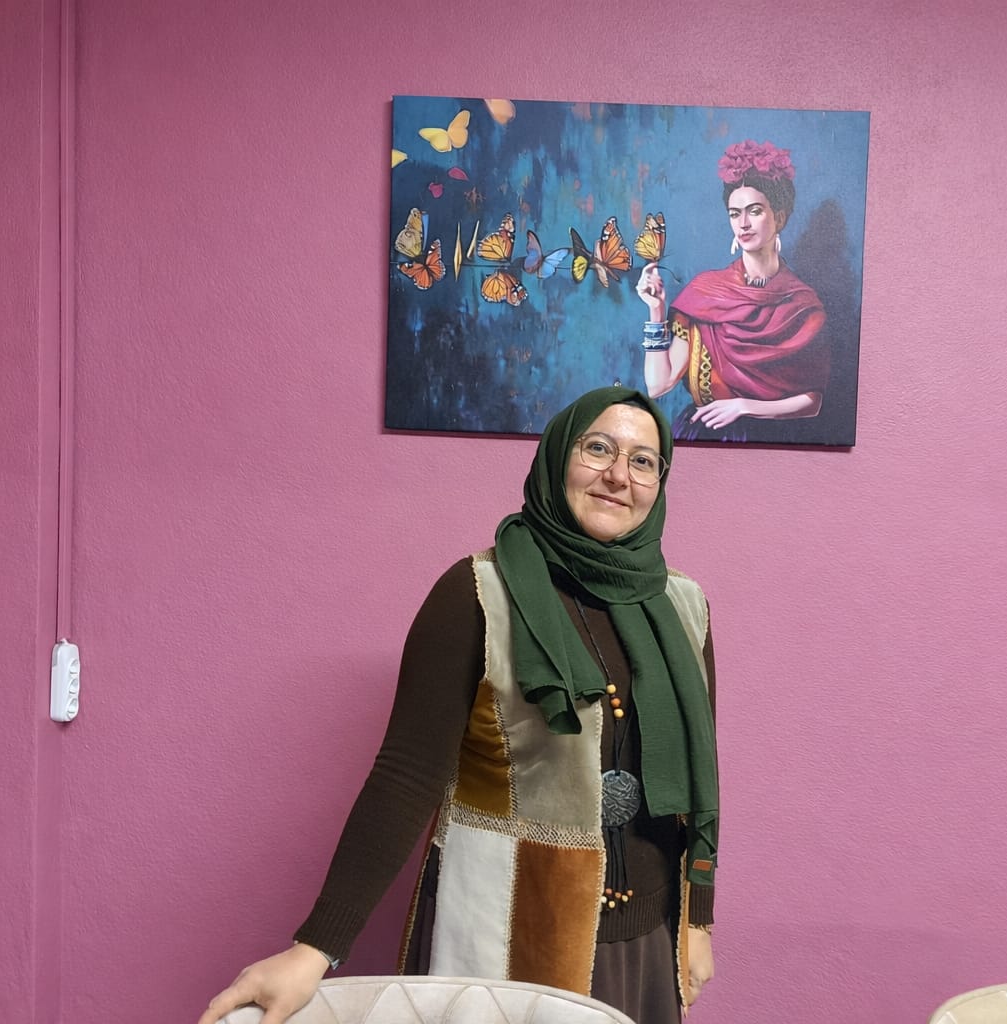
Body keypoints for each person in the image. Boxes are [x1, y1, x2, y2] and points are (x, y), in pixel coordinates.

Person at [198, 386, 719, 1024]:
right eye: (598, 449)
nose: (618, 475)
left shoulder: (684, 606)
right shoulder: (477, 592)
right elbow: (406, 776)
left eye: (643, 461)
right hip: (507, 925)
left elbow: (700, 775)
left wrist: (698, 920)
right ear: (558, 456)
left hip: (645, 942)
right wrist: (316, 948)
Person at [636, 140, 830, 442]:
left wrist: (744, 406)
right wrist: (656, 311)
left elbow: (812, 402)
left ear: (779, 217)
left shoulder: (802, 305)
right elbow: (658, 385)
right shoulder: (705, 294)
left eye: (755, 211)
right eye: (734, 213)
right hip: (703, 438)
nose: (743, 224)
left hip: (773, 444)